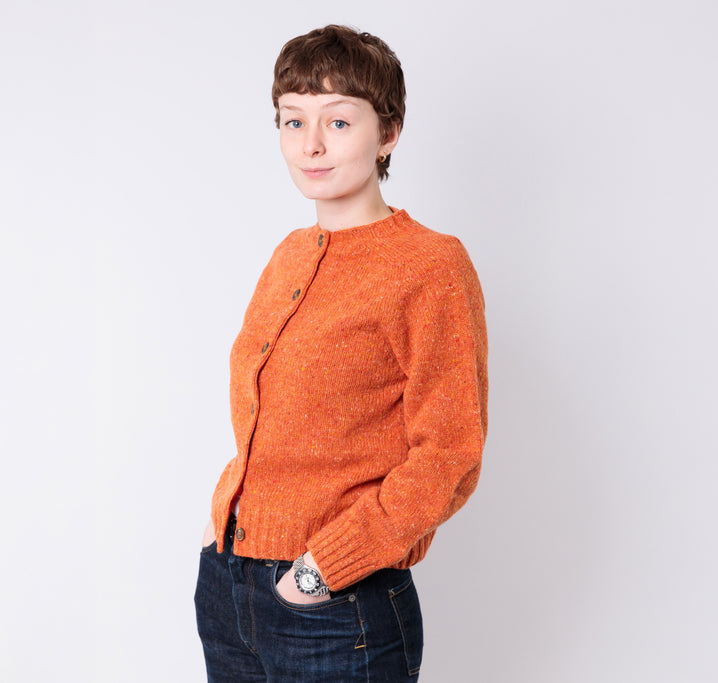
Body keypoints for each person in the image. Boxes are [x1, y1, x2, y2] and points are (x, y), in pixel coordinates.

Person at [194, 24, 488, 682]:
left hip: (334, 602)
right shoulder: (288, 256)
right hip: (231, 584)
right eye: (292, 121)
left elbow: (450, 449)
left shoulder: (430, 265)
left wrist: (322, 566)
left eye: (338, 121)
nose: (312, 144)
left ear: (388, 133)